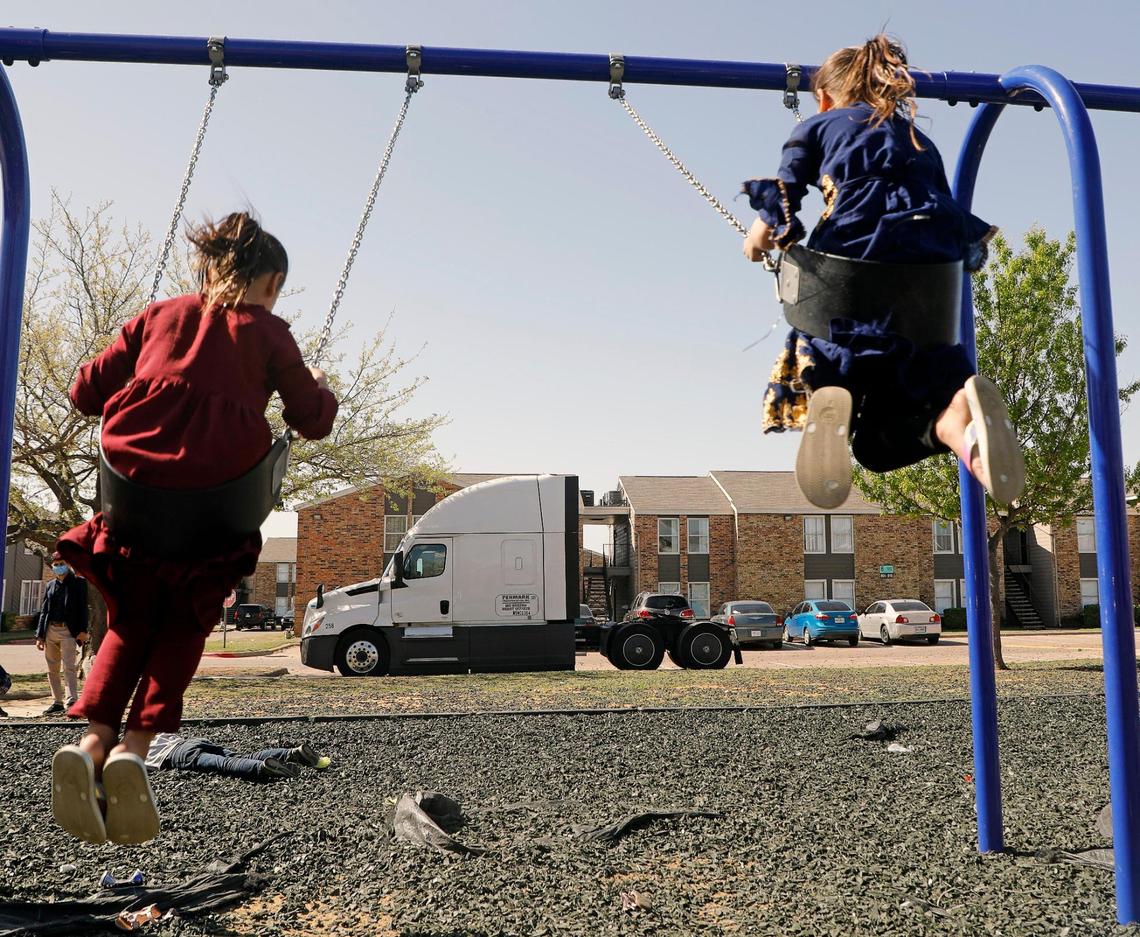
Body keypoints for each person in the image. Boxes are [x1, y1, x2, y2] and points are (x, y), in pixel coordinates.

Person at [49, 212, 339, 846]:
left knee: (130, 619)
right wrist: (318, 386)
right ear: (273, 281)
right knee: (182, 623)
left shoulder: (158, 315)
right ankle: (134, 749)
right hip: (212, 507)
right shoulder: (269, 333)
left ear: (205, 268)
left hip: (134, 498)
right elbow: (312, 420)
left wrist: (139, 366)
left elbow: (83, 393)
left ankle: (91, 743)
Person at [740, 34, 1024, 510]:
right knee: (875, 447)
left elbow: (781, 203)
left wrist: (757, 239)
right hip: (928, 292)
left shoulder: (818, 127)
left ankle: (831, 390)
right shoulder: (921, 142)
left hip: (854, 275)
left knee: (824, 330)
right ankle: (953, 422)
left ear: (825, 97)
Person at [35, 552, 88, 716]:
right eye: (56, 564)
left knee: (69, 667)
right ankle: (57, 702)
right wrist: (40, 635)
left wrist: (83, 631)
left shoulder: (79, 583)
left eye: (61, 563)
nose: (58, 566)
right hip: (50, 629)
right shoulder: (50, 585)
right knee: (52, 668)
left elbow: (83, 608)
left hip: (69, 631)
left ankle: (71, 700)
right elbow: (44, 610)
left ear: (69, 564)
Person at [145, 734, 331, 781]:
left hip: (176, 755)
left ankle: (263, 768)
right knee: (242, 756)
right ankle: (291, 753)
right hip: (191, 741)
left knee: (226, 764)